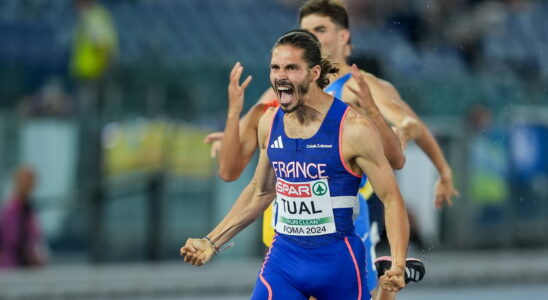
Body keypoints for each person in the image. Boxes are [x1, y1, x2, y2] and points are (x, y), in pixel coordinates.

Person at [182, 30, 410, 300]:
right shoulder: (269, 123)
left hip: (338, 266)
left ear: (314, 73)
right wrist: (211, 241)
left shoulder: (353, 129)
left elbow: (392, 199)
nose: (280, 76)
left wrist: (398, 264)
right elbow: (260, 192)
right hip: (284, 262)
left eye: (291, 68)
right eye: (275, 68)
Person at [0, 166, 48, 269]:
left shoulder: (28, 209)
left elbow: (35, 238)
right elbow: (13, 242)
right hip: (11, 268)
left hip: (23, 267)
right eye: (24, 181)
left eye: (30, 182)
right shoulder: (11, 210)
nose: (27, 185)